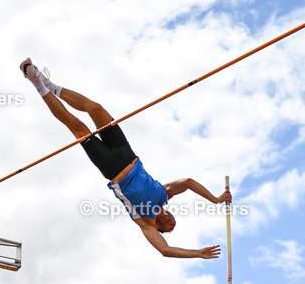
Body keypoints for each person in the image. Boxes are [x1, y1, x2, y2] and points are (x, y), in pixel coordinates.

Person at [20, 59, 232, 259]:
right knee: (96, 108)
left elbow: (165, 250)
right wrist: (215, 199)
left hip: (112, 168)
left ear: (160, 228)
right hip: (126, 152)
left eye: (172, 227)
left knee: (77, 126)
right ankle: (51, 85)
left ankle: (38, 85)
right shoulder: (163, 194)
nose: (175, 221)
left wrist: (197, 253)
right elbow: (188, 182)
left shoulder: (145, 223)